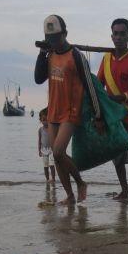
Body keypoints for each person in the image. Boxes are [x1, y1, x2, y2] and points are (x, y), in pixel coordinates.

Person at [34, 14, 102, 204]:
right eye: (50, 38)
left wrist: (98, 114)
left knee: (57, 152)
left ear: (65, 33)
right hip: (53, 111)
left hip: (71, 112)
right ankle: (70, 196)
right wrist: (42, 53)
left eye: (56, 37)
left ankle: (80, 183)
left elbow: (89, 85)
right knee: (57, 159)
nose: (53, 41)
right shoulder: (50, 55)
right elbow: (38, 79)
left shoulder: (76, 56)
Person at [97, 17, 128, 201]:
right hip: (114, 118)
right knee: (117, 155)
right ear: (111, 36)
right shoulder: (106, 59)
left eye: (122, 34)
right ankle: (124, 190)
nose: (118, 37)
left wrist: (121, 96)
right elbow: (99, 85)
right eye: (115, 34)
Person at [37, 108, 56, 184]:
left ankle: (53, 179)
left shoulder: (52, 128)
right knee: (45, 166)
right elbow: (39, 140)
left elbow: (55, 137)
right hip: (44, 150)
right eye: (43, 120)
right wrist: (39, 150)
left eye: (46, 119)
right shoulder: (40, 130)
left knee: (52, 165)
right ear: (40, 120)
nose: (45, 122)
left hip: (51, 150)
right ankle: (47, 179)